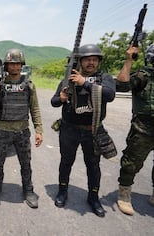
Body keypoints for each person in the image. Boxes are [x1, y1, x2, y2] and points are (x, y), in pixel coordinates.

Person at [51, 44, 116, 217]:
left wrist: (84, 83)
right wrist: (62, 98)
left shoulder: (104, 78)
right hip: (69, 130)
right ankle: (62, 191)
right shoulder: (68, 79)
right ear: (80, 61)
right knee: (66, 162)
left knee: (93, 166)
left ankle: (93, 197)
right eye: (87, 59)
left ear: (99, 62)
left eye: (94, 60)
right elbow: (54, 101)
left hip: (92, 130)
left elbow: (109, 95)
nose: (91, 63)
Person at [0, 49, 43, 208]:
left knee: (26, 163)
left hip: (22, 131)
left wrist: (39, 130)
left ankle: (28, 190)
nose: (15, 67)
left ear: (22, 65)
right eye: (11, 64)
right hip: (3, 131)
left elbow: (35, 109)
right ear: (6, 66)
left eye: (18, 63)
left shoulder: (29, 85)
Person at [116, 44, 154, 215]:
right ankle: (124, 193)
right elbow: (122, 86)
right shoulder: (143, 76)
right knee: (131, 163)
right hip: (143, 130)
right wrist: (129, 60)